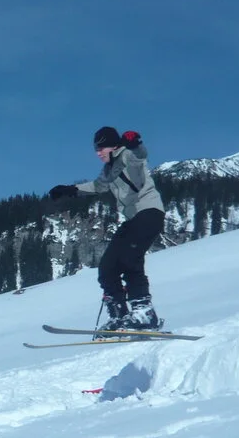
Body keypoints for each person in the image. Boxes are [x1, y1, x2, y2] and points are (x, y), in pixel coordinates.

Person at [49, 126, 166, 331]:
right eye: (96, 149)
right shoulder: (108, 170)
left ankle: (144, 314)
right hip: (133, 219)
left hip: (149, 213)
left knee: (130, 259)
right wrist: (71, 189)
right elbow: (98, 186)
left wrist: (135, 143)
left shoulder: (128, 155)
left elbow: (140, 156)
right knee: (107, 267)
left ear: (113, 146)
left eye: (101, 148)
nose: (98, 153)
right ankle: (119, 316)